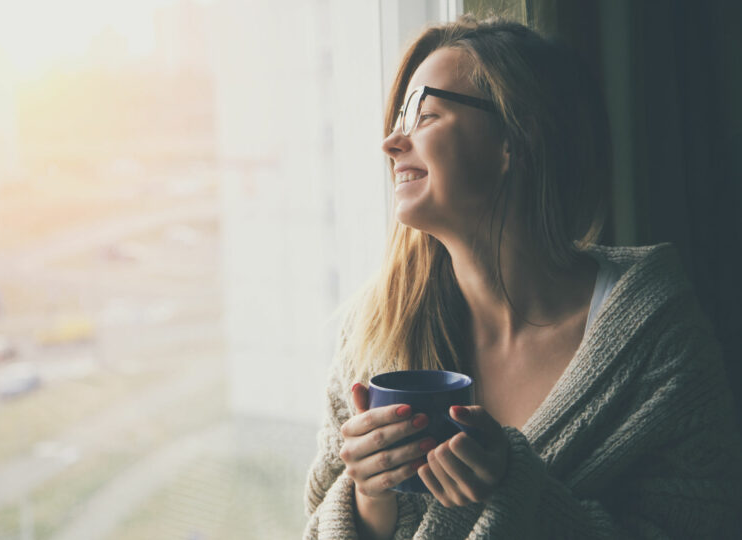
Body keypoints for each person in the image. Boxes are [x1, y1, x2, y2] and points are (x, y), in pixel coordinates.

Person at [303, 15, 742, 540]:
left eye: (425, 114)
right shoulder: (372, 339)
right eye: (398, 118)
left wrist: (517, 494)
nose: (392, 143)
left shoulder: (659, 344)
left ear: (514, 139)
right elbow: (318, 522)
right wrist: (369, 495)